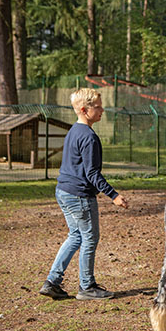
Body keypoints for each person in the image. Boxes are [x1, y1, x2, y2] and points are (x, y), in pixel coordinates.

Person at [39, 88, 128, 300]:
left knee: (76, 236)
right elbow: (92, 174)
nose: (102, 110)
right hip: (79, 195)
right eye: (97, 107)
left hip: (63, 191)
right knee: (89, 238)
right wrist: (113, 195)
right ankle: (87, 287)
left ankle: (52, 281)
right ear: (84, 110)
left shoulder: (74, 131)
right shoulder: (89, 137)